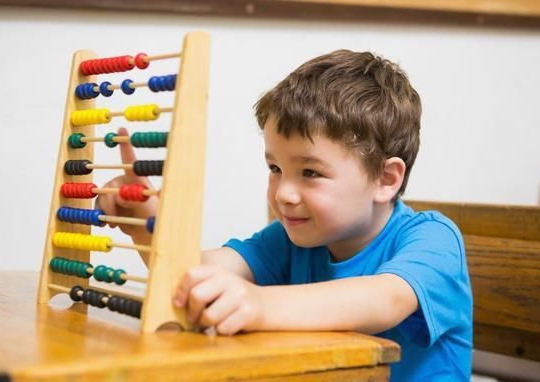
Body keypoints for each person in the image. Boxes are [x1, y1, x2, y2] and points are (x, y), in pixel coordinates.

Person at [97, 50, 473, 381]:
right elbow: (194, 276)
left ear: (384, 179)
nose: (283, 193)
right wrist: (150, 223)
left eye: (310, 172)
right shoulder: (289, 240)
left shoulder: (433, 239)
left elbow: (384, 301)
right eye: (275, 168)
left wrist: (259, 304)